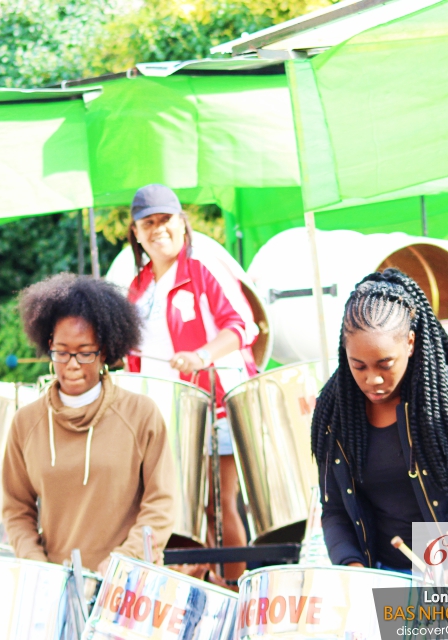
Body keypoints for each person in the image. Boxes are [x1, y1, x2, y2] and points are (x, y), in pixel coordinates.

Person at [311, 269, 448, 571]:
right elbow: (334, 508)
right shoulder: (335, 409)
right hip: (388, 574)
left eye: (385, 364)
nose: (372, 378)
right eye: (358, 365)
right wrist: (351, 565)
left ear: (410, 342)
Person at [123, 184, 257, 583]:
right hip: (166, 416)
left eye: (166, 219)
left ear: (182, 223)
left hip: (215, 406)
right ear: (135, 232)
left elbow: (242, 326)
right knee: (179, 511)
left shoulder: (203, 267)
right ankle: (200, 592)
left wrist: (201, 357)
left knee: (219, 506)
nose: (158, 229)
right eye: (148, 223)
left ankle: (234, 590)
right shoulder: (138, 288)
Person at [2, 274, 175, 574]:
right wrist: (40, 569)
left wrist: (124, 562)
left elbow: (161, 505)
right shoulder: (25, 422)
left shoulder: (141, 414)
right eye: (62, 352)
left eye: (85, 353)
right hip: (56, 588)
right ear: (48, 345)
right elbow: (16, 510)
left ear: (105, 351)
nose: (71, 364)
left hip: (129, 586)